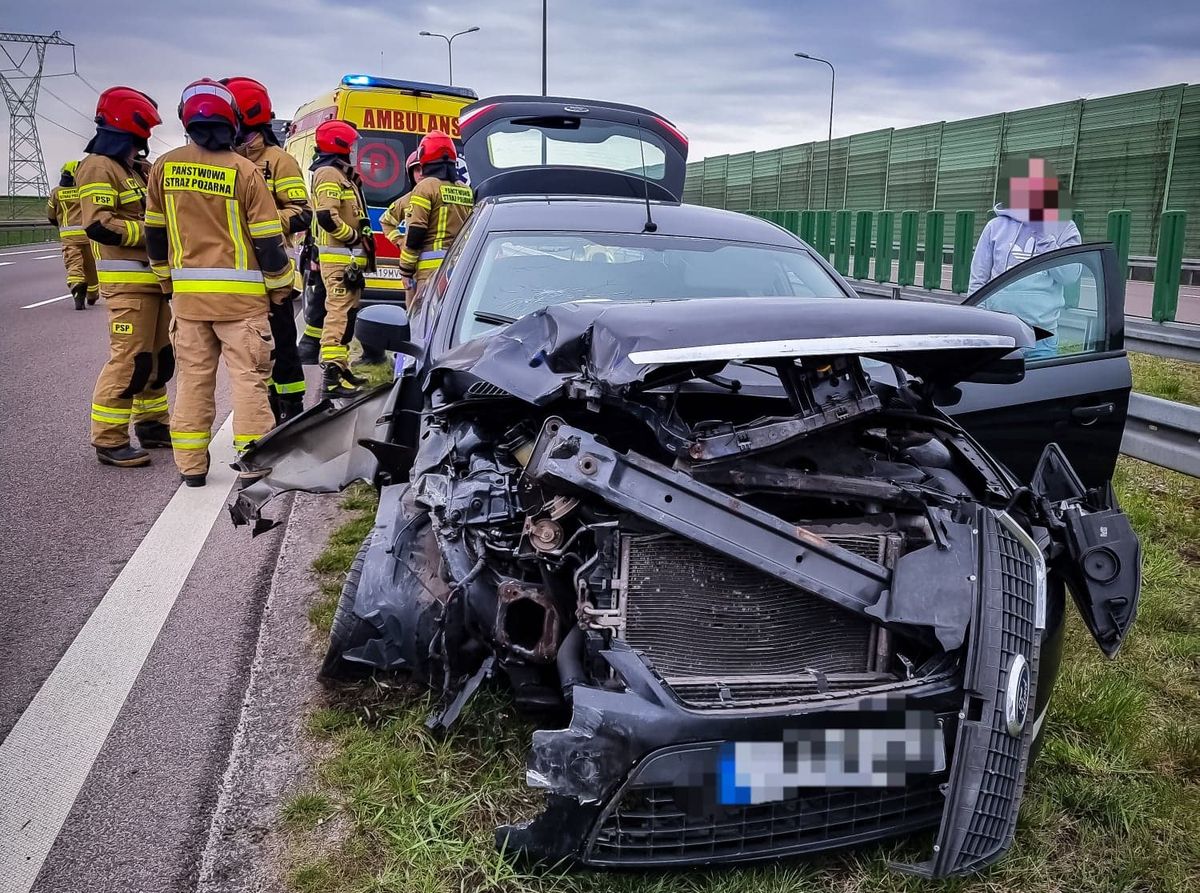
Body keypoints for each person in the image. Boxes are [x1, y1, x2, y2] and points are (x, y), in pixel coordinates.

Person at [144, 79, 294, 486]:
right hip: (242, 305)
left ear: (186, 120)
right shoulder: (244, 171)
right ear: (233, 121)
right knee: (249, 381)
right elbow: (268, 242)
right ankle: (253, 465)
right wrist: (281, 285)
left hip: (189, 303)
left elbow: (154, 234)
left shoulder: (164, 168)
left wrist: (165, 281)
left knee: (192, 382)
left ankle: (191, 467)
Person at [77, 86, 172, 468]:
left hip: (154, 283)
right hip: (129, 285)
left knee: (158, 361)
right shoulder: (100, 166)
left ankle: (152, 425)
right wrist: (150, 235)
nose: (144, 141)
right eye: (141, 134)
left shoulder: (136, 169)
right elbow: (98, 225)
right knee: (129, 361)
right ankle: (109, 439)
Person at [223, 76, 313, 424]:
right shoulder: (224, 160)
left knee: (283, 347)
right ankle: (258, 416)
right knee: (250, 354)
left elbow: (302, 212)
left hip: (272, 272)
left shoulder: (279, 160)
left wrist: (259, 219)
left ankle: (291, 410)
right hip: (234, 276)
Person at [969, 157, 1081, 358]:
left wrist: (1044, 234)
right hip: (998, 332)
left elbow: (1070, 276)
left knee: (1041, 389)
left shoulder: (1066, 227)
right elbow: (978, 278)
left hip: (1041, 337)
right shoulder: (995, 227)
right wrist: (977, 322)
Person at [310, 119, 371, 397]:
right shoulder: (329, 174)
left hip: (348, 261)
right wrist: (352, 237)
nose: (356, 151)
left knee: (347, 315)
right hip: (338, 260)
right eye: (353, 145)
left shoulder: (342, 175)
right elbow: (326, 215)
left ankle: (342, 369)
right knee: (338, 316)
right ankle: (331, 379)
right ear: (340, 145)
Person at [397, 130, 474, 317]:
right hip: (458, 268)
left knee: (422, 321)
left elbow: (416, 232)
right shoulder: (465, 190)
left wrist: (406, 269)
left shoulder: (426, 187)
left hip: (430, 271)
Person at [47, 160, 99, 310]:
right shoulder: (87, 190)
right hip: (89, 234)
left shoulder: (57, 192)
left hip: (69, 236)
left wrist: (61, 224)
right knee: (91, 267)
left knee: (74, 264)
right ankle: (92, 295)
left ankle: (77, 286)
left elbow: (51, 215)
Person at [379, 150, 422, 251]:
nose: (421, 174)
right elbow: (385, 222)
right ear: (411, 174)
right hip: (413, 260)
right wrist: (400, 242)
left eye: (424, 169)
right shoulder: (406, 200)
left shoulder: (440, 195)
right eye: (417, 170)